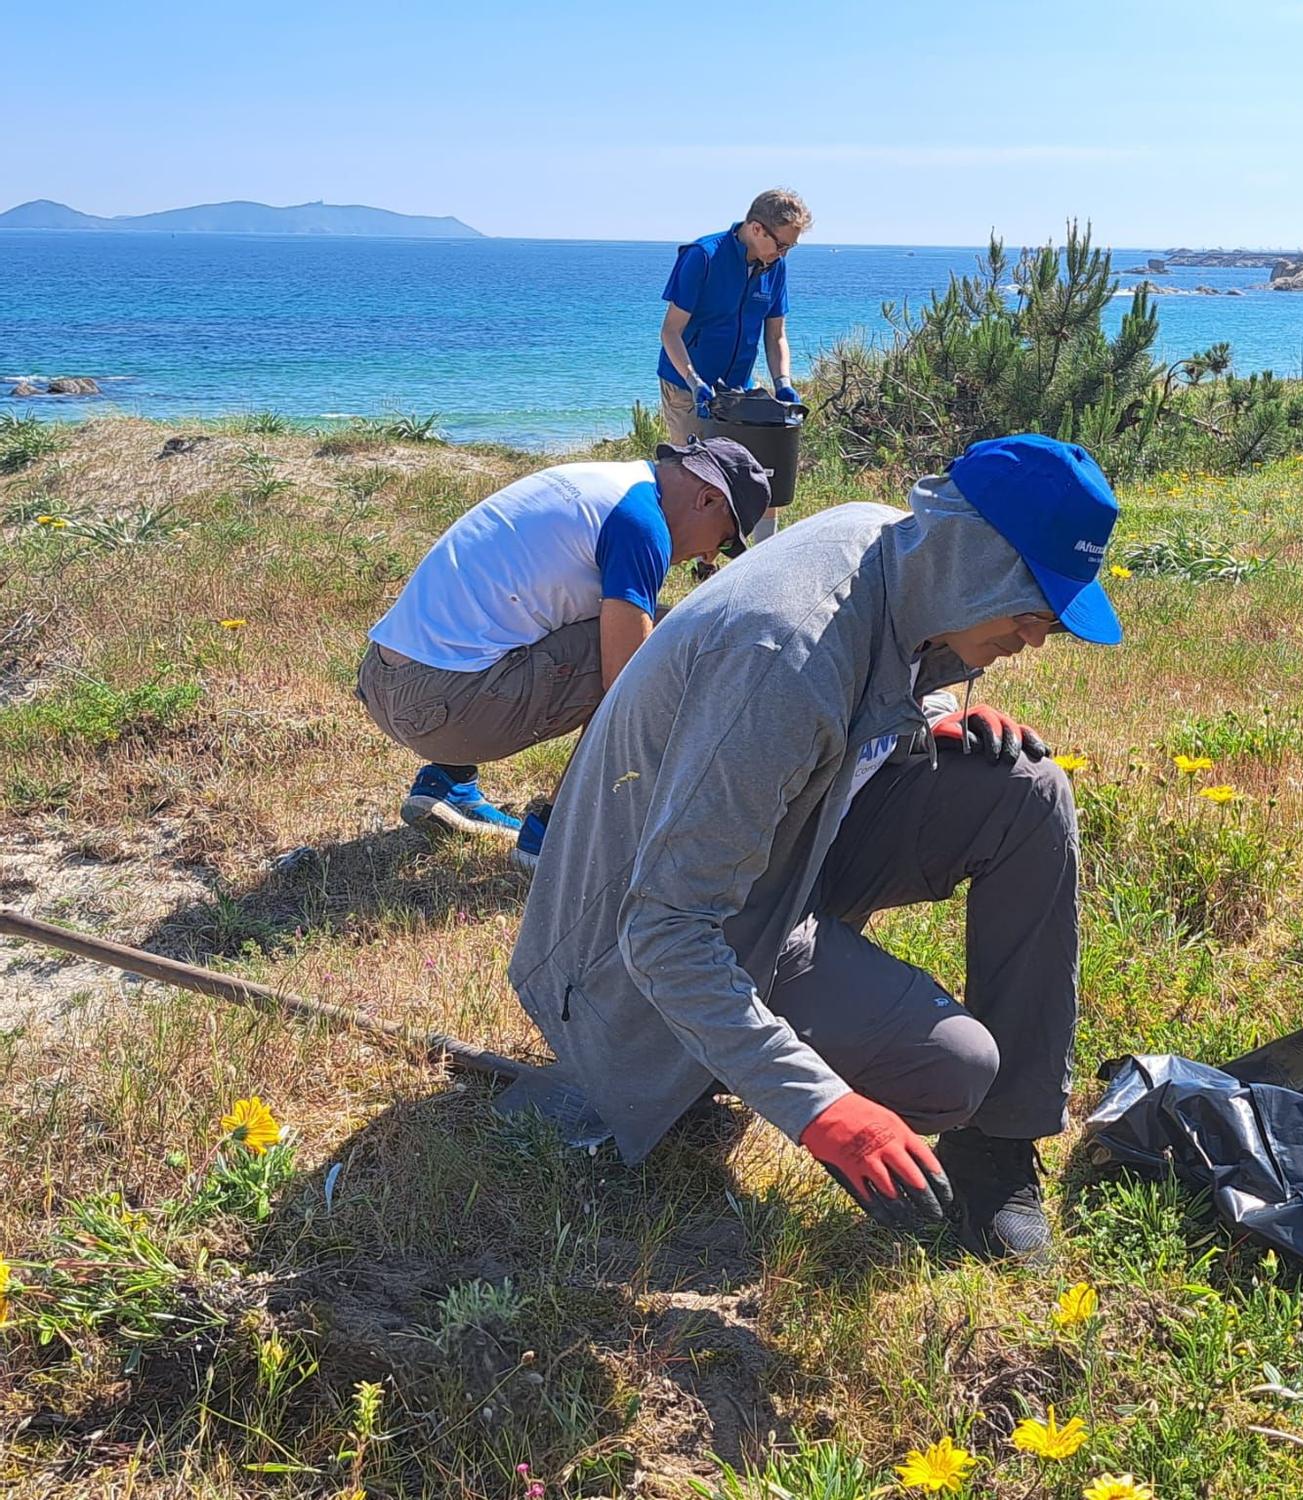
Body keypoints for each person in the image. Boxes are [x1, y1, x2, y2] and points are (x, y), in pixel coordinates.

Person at [508, 434, 1123, 1261]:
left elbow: (859, 677)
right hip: (620, 959)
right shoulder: (783, 658)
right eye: (1036, 606)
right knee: (952, 1069)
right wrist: (825, 1112)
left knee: (1026, 793)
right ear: (972, 562)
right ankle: (714, 1071)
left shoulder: (892, 548)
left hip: (770, 868)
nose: (1038, 636)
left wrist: (919, 709)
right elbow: (664, 929)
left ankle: (997, 1153)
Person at [357, 440, 772, 871]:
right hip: (439, 705)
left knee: (587, 621)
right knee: (662, 645)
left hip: (385, 680)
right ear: (708, 498)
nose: (707, 558)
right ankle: (560, 834)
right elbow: (627, 682)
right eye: (722, 542)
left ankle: (449, 781)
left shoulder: (605, 482)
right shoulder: (641, 526)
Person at [657, 188, 810, 447]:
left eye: (790, 247)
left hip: (738, 391)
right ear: (756, 229)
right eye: (781, 245)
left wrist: (783, 382)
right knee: (693, 473)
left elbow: (776, 335)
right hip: (687, 387)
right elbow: (670, 332)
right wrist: (695, 383)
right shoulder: (702, 256)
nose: (784, 254)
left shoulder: (776, 268)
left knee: (735, 472)